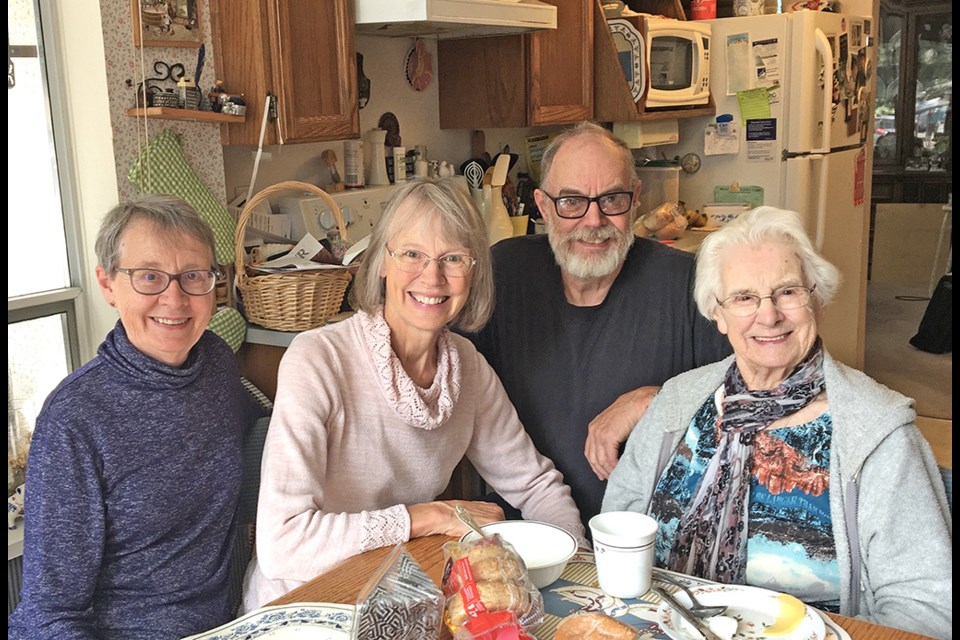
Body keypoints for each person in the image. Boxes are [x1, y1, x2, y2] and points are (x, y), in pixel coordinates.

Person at [603, 206, 952, 638]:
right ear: (717, 312)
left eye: (788, 292)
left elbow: (928, 609)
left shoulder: (876, 433)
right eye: (744, 297)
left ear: (818, 300)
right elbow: (620, 529)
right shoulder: (678, 401)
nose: (768, 316)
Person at [241, 177, 586, 611]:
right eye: (412, 254)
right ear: (381, 262)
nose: (432, 276)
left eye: (453, 258)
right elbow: (283, 544)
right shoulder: (318, 360)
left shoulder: (467, 368)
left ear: (474, 271)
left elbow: (536, 485)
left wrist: (577, 568)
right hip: (303, 607)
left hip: (398, 600)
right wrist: (427, 517)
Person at [8, 195, 263, 639]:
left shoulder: (216, 364)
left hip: (231, 622)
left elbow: (267, 438)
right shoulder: (75, 420)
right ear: (107, 285)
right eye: (149, 276)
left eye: (193, 276)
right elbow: (49, 614)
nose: (175, 298)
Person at [464, 121, 730, 529]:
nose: (593, 220)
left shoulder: (687, 284)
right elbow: (441, 374)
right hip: (529, 538)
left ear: (636, 198)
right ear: (542, 204)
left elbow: (760, 400)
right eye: (571, 201)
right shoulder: (506, 273)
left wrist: (655, 399)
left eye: (612, 199)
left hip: (653, 544)